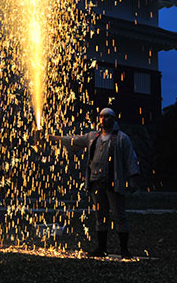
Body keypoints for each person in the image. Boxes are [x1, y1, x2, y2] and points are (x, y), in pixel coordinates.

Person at [45, 107, 139, 259]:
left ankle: (124, 250)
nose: (103, 119)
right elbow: (74, 140)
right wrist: (55, 138)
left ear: (113, 119)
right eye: (101, 116)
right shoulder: (93, 137)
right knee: (100, 216)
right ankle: (101, 248)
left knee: (119, 215)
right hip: (96, 182)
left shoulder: (122, 138)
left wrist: (133, 178)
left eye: (107, 116)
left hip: (113, 182)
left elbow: (130, 158)